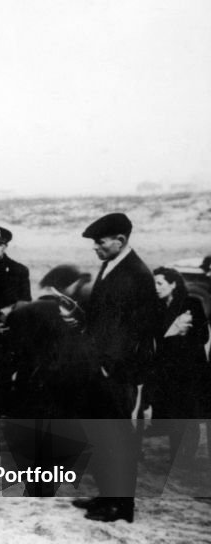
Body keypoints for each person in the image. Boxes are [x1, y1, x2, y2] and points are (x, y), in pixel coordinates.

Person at [73, 212, 160, 523]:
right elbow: (104, 318)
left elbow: (138, 329)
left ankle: (121, 506)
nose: (95, 248)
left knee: (118, 439)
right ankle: (107, 495)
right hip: (102, 369)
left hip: (117, 373)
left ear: (120, 241)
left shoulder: (136, 274)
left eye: (101, 242)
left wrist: (111, 367)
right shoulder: (111, 265)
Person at [0, 265, 99, 496]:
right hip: (62, 386)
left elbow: (9, 356)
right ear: (66, 286)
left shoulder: (22, 312)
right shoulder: (74, 316)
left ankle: (32, 486)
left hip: (29, 385)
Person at [145, 267, 209, 467]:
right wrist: (174, 333)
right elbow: (154, 338)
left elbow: (202, 337)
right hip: (167, 370)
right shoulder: (155, 307)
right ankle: (176, 458)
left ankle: (184, 459)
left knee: (189, 415)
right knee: (173, 413)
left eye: (160, 283)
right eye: (153, 283)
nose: (155, 288)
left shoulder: (192, 303)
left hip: (190, 370)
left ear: (173, 284)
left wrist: (178, 336)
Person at [0, 226, 31, 415]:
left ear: (6, 246)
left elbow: (25, 302)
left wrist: (7, 311)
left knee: (0, 377)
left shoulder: (18, 271)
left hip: (2, 334)